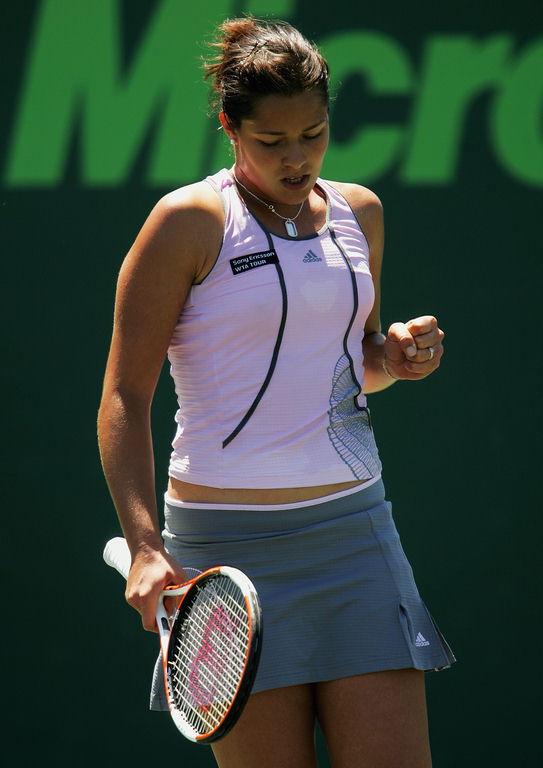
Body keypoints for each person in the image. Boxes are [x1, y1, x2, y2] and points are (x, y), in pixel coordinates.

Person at [98, 16, 455, 768]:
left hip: (354, 534)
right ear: (230, 127)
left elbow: (349, 367)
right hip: (225, 554)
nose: (297, 158)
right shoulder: (187, 223)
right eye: (272, 142)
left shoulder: (360, 214)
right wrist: (143, 546)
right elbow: (125, 395)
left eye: (314, 135)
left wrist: (392, 357)